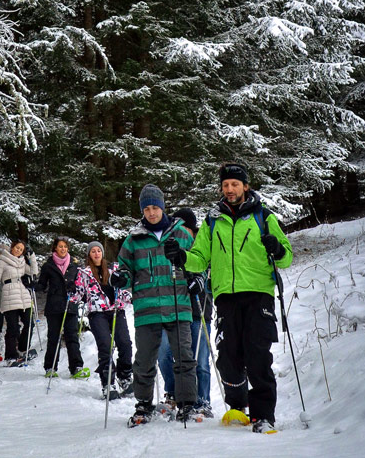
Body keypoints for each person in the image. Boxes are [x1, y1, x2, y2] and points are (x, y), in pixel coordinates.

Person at [164, 163, 293, 434]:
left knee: (258, 355)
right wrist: (182, 257)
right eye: (225, 185)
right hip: (225, 296)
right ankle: (237, 406)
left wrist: (277, 248)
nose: (230, 189)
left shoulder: (264, 217)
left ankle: (263, 415)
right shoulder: (213, 220)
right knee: (228, 357)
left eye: (235, 184)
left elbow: (287, 257)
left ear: (245, 186)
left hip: (258, 294)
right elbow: (200, 258)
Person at [112, 184, 198, 425]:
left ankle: (187, 403)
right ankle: (142, 404)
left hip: (178, 305)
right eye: (147, 208)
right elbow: (125, 270)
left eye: (155, 207)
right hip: (147, 308)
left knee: (184, 357)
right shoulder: (133, 239)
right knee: (145, 360)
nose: (151, 212)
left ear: (163, 207)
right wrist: (120, 278)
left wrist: (195, 278)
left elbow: (197, 262)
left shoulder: (181, 234)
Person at [157, 208, 213, 416]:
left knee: (200, 360)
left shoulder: (200, 248)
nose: (182, 232)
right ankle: (173, 393)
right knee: (165, 354)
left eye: (186, 228)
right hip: (173, 313)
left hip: (198, 312)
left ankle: (203, 400)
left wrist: (200, 281)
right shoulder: (170, 249)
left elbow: (211, 276)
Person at [72, 241, 132, 397]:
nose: (96, 253)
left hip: (116, 310)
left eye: (99, 250)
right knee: (105, 346)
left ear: (102, 253)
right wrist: (70, 289)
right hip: (97, 313)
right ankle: (108, 383)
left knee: (125, 343)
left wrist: (129, 296)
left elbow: (122, 289)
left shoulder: (113, 269)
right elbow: (78, 294)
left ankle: (124, 375)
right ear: (89, 254)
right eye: (93, 251)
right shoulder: (84, 272)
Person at [37, 236, 87, 378]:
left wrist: (77, 289)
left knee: (72, 336)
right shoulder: (48, 265)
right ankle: (50, 367)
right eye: (60, 246)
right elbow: (42, 284)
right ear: (55, 248)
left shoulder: (74, 265)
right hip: (54, 306)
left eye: (65, 246)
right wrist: (33, 286)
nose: (63, 249)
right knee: (54, 337)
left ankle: (76, 366)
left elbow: (81, 284)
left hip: (70, 305)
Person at [0, 240, 38, 362]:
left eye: (21, 249)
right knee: (13, 327)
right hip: (9, 293)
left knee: (29, 323)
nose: (18, 250)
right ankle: (11, 355)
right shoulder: (3, 260)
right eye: (17, 248)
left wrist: (32, 256)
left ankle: (23, 348)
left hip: (23, 293)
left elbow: (34, 271)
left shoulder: (22, 261)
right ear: (12, 248)